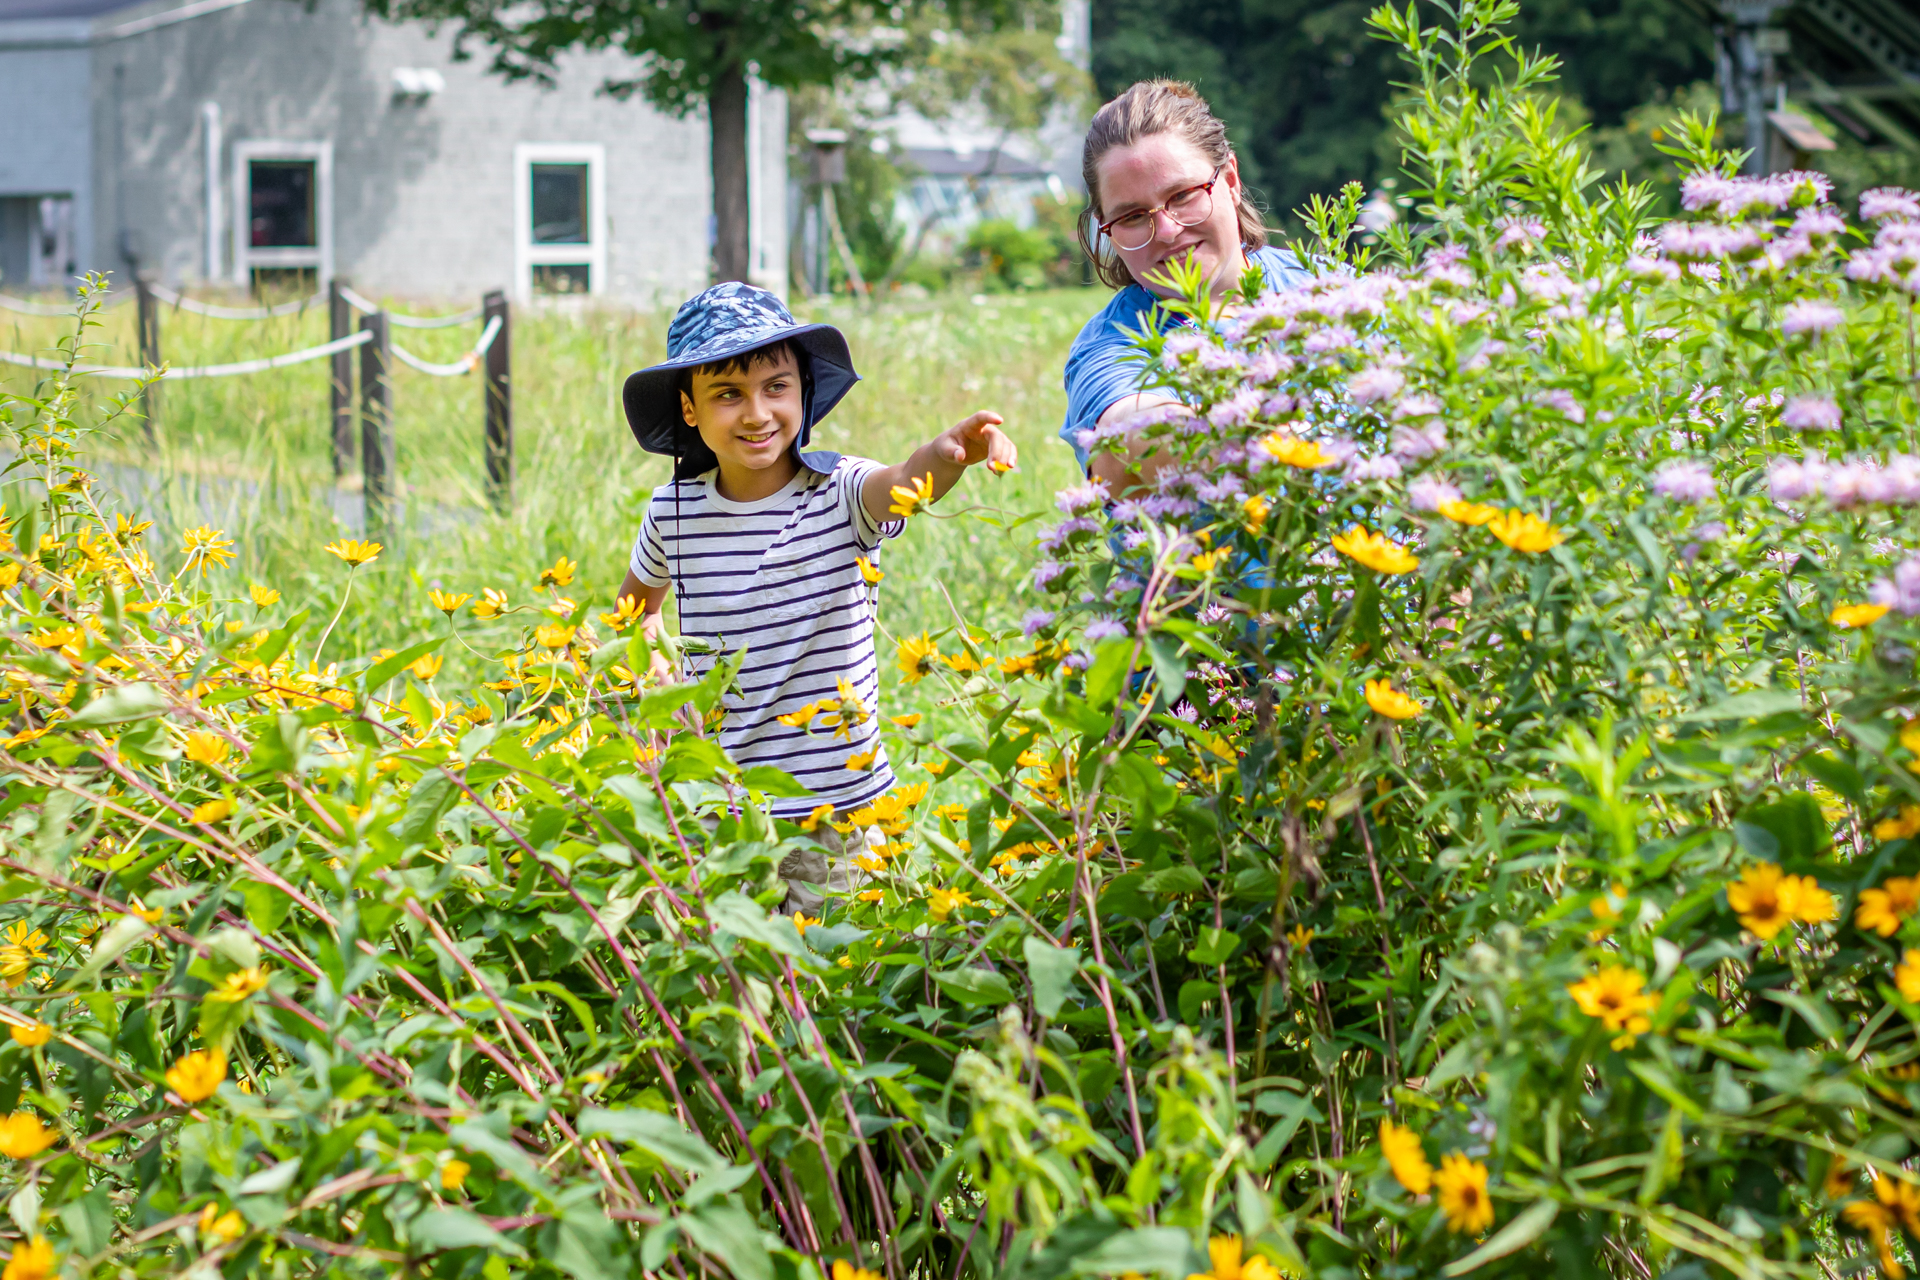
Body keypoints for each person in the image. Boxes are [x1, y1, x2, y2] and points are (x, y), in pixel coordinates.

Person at [613, 282, 1015, 834]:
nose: (756, 413)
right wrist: (651, 667)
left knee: (838, 921)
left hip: (840, 807)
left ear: (802, 390)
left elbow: (900, 482)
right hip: (720, 811)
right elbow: (634, 610)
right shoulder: (673, 512)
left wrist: (947, 457)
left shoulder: (840, 491)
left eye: (774, 387)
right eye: (728, 394)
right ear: (689, 409)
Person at [1062, 79, 1315, 490]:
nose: (1166, 229)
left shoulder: (1322, 284)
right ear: (1108, 232)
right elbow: (1127, 437)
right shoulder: (1112, 345)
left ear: (1230, 180)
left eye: (1183, 195)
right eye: (1131, 217)